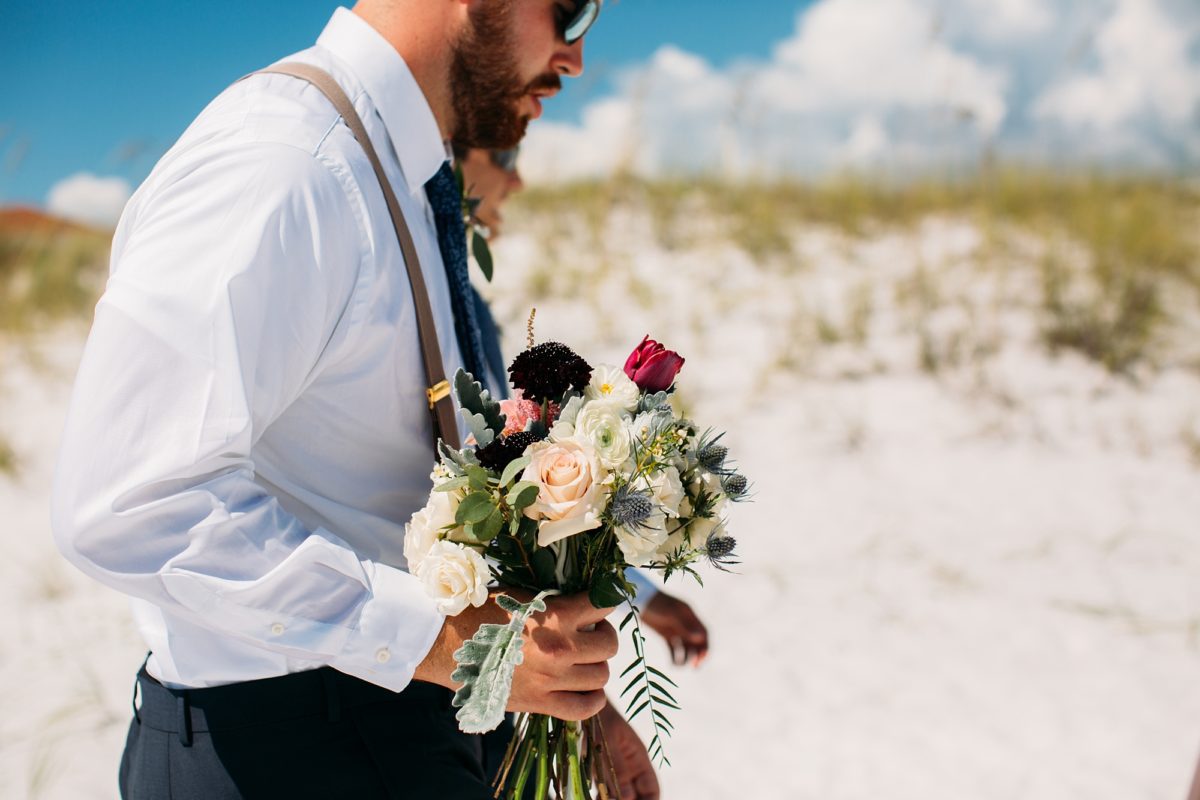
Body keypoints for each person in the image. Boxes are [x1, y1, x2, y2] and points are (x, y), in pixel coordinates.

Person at [51, 1, 659, 797]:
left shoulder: (398, 176)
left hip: (402, 721)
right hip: (278, 752)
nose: (576, 55)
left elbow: (406, 490)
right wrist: (442, 641)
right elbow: (124, 500)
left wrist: (560, 704)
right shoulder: (286, 161)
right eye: (571, 10)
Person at [459, 143, 711, 668]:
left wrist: (642, 594)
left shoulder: (468, 307)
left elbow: (561, 527)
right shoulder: (442, 306)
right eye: (504, 157)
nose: (517, 181)